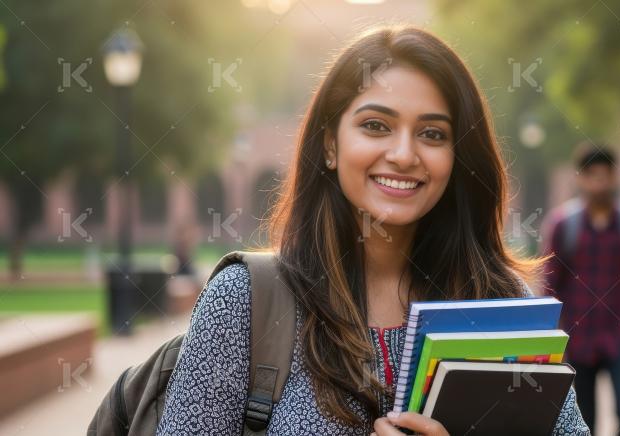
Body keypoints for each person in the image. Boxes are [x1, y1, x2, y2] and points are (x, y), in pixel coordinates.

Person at [156, 25, 590, 436]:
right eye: (376, 126)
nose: (403, 154)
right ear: (330, 144)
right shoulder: (246, 303)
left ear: (457, 157)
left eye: (432, 133)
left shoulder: (503, 307)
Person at [540, 143, 620, 436]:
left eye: (605, 174)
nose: (599, 182)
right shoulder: (563, 225)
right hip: (578, 337)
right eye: (592, 174)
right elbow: (550, 287)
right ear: (580, 177)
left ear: (616, 176)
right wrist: (548, 340)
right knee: (585, 419)